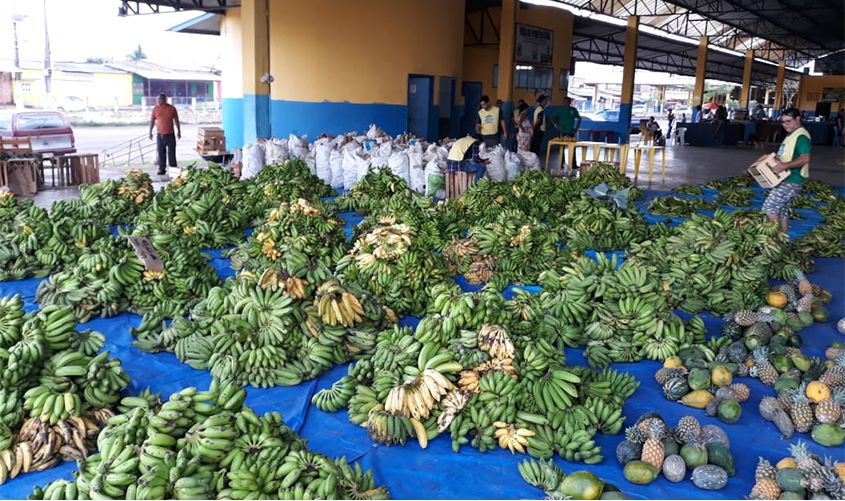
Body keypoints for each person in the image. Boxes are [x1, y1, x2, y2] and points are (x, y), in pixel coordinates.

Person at [760, 107, 811, 235]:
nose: (785, 125)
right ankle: (783, 239)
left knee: (769, 208)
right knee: (782, 210)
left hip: (791, 180)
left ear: (798, 119)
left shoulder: (802, 136)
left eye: (788, 121)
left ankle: (776, 239)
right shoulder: (791, 134)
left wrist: (785, 166)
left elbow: (805, 158)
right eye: (783, 122)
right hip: (786, 178)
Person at [149, 93, 181, 176]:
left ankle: (173, 168)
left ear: (164, 99)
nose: (158, 101)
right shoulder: (155, 109)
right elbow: (152, 121)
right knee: (161, 153)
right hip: (160, 135)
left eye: (160, 99)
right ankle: (162, 169)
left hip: (170, 135)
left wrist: (179, 131)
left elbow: (176, 120)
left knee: (172, 153)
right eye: (157, 99)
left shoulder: (171, 108)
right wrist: (150, 132)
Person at [550, 96, 581, 169]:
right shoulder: (560, 110)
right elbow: (551, 116)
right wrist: (555, 125)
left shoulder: (573, 110)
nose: (565, 103)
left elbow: (579, 118)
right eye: (564, 102)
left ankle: (573, 164)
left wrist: (576, 128)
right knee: (561, 148)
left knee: (573, 148)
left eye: (567, 102)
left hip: (571, 132)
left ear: (570, 103)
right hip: (563, 132)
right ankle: (561, 163)